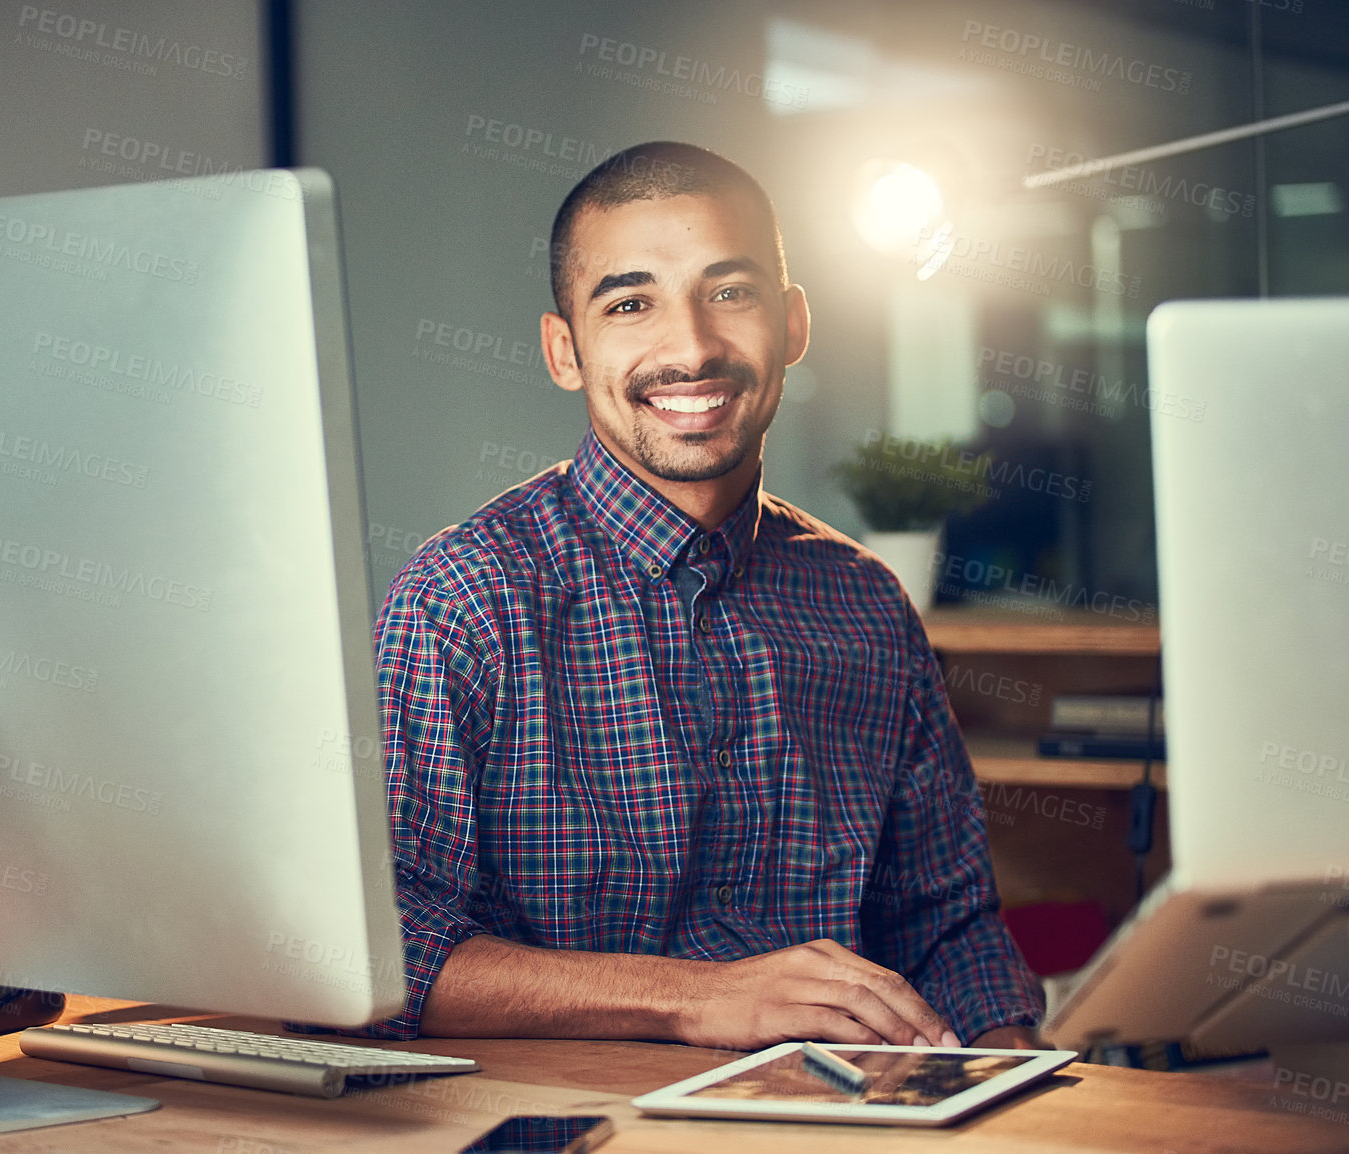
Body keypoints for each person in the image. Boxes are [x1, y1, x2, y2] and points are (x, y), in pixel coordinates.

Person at [364, 141, 1045, 1050]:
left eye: (731, 292)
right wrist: (695, 998)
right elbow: (382, 956)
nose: (690, 347)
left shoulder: (868, 605)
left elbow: (945, 928)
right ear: (565, 350)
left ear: (794, 323)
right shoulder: (464, 599)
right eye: (631, 303)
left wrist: (1018, 1081)